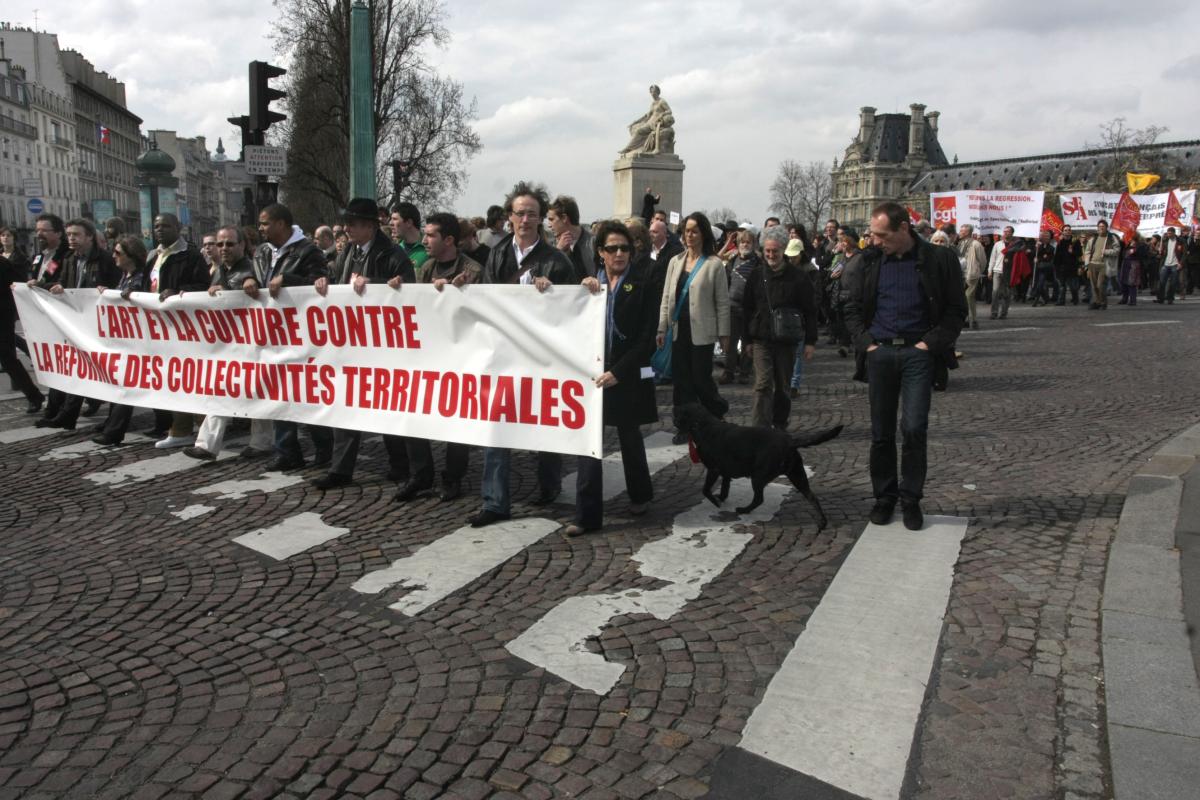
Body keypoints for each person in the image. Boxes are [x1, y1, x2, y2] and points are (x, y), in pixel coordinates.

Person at [843, 201, 967, 531]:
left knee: (914, 428)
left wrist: (930, 344)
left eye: (882, 235)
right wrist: (866, 343)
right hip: (880, 352)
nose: (875, 241)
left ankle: (911, 498)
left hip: (918, 353)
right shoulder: (868, 261)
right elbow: (849, 305)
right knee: (881, 433)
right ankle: (885, 497)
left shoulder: (938, 259)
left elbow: (956, 309)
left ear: (903, 229)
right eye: (872, 235)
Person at [470, 182, 577, 528]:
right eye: (520, 213)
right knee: (497, 425)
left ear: (541, 219)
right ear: (510, 217)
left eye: (532, 213)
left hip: (542, 357)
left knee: (542, 423)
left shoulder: (556, 261)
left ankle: (549, 483)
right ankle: (495, 500)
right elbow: (486, 300)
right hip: (504, 353)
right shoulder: (498, 254)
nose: (526, 219)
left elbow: (573, 309)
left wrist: (554, 294)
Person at [309, 198, 415, 489]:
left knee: (389, 407)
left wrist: (376, 283)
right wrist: (323, 281)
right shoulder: (349, 253)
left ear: (369, 226)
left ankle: (401, 464)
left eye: (352, 223)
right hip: (352, 343)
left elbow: (411, 293)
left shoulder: (393, 255)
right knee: (344, 403)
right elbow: (336, 281)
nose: (346, 228)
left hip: (384, 347)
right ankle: (340, 470)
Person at [566, 221, 658, 536]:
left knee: (629, 437)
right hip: (593, 374)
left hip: (625, 374)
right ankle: (586, 514)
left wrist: (619, 372)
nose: (619, 253)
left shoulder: (643, 284)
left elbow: (645, 339)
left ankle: (640, 494)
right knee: (590, 443)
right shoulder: (590, 285)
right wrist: (583, 291)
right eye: (612, 248)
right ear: (601, 253)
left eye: (624, 248)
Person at [403, 212, 483, 503]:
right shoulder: (425, 270)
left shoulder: (473, 270)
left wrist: (455, 294)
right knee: (413, 413)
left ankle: (452, 477)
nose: (424, 240)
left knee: (456, 420)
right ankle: (420, 474)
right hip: (428, 353)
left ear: (448, 240)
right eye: (424, 234)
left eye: (431, 235)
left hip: (460, 355)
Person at [182, 225, 274, 460]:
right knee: (219, 388)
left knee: (259, 391)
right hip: (228, 344)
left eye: (230, 244)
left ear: (242, 245)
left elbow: (261, 289)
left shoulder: (252, 268)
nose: (223, 248)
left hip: (255, 344)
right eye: (220, 244)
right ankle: (207, 445)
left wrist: (248, 285)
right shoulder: (219, 270)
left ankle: (262, 442)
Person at [253, 203, 333, 470]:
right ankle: (286, 451)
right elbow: (255, 278)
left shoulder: (308, 251)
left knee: (309, 393)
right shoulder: (263, 252)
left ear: (281, 224)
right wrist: (246, 281)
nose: (261, 228)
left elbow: (320, 286)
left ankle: (324, 450)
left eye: (265, 223)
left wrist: (287, 278)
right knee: (279, 393)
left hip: (303, 334)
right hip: (274, 333)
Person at [30, 218, 120, 430]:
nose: (72, 239)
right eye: (69, 234)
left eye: (76, 235)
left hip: (97, 323)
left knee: (92, 370)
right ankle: (61, 413)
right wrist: (45, 285)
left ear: (89, 237)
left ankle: (80, 413)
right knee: (71, 368)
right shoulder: (70, 259)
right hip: (74, 322)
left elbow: (116, 285)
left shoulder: (105, 260)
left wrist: (103, 291)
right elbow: (63, 282)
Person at [657, 212, 730, 443]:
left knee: (701, 379)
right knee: (681, 381)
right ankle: (684, 425)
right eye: (687, 230)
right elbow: (667, 296)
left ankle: (716, 413)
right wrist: (661, 328)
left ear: (703, 234)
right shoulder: (675, 261)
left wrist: (724, 333)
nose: (689, 235)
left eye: (694, 230)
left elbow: (722, 302)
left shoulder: (714, 264)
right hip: (679, 329)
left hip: (702, 332)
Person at [743, 227, 817, 430]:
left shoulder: (799, 277)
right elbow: (747, 308)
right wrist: (746, 340)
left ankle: (780, 425)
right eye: (767, 251)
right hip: (761, 339)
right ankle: (760, 430)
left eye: (775, 251)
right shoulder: (756, 275)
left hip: (787, 340)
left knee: (783, 387)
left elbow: (810, 310)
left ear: (783, 250)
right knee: (763, 384)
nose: (770, 255)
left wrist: (810, 341)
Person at [91, 236, 151, 445]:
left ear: (131, 256)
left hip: (140, 340)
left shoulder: (140, 277)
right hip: (127, 340)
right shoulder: (125, 276)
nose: (114, 256)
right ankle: (114, 424)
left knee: (127, 384)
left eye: (118, 253)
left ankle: (114, 431)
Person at [0, 249, 42, 414]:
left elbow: (16, 284)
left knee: (8, 358)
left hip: (2, 317)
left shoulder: (2, 263)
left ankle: (33, 395)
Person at [720, 229, 760, 385]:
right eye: (742, 241)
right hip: (732, 306)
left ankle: (744, 372)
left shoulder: (758, 262)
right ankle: (728, 371)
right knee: (730, 342)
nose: (745, 244)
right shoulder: (732, 261)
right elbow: (725, 282)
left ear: (753, 244)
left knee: (747, 342)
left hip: (750, 309)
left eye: (748, 242)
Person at [547, 195, 595, 283]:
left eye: (551, 219)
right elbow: (545, 276)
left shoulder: (594, 244)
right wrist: (558, 253)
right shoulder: (551, 247)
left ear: (564, 218)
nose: (549, 225)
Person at [1083, 220, 1119, 310]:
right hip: (1093, 264)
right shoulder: (1094, 238)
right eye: (1099, 226)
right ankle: (1097, 302)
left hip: (1104, 264)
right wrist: (1087, 264)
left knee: (1100, 285)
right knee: (1094, 285)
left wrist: (1106, 252)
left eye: (1103, 226)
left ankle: (1102, 302)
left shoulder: (1111, 238)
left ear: (1106, 227)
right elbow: (1087, 251)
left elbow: (1117, 250)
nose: (1101, 228)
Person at [957, 224, 986, 328]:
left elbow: (982, 260)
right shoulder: (960, 243)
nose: (959, 232)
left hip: (971, 274)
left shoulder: (976, 244)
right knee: (963, 298)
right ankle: (966, 319)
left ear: (967, 232)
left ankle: (973, 320)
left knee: (969, 296)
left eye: (962, 231)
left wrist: (977, 271)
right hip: (961, 274)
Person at [389, 202, 428, 276]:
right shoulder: (393, 250)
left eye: (395, 219)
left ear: (408, 222)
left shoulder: (430, 248)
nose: (390, 223)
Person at [1053, 225, 1083, 306]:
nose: (1067, 232)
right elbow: (1056, 256)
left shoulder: (1075, 242)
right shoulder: (1060, 242)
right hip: (1062, 268)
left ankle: (1075, 298)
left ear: (1071, 232)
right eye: (1065, 230)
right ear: (1063, 232)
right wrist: (1056, 267)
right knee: (1062, 286)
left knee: (1073, 287)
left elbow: (1080, 254)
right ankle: (1061, 301)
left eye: (1069, 230)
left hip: (1072, 267)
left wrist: (1072, 252)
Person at [1030, 229, 1057, 307]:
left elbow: (1048, 257)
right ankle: (1045, 298)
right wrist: (1036, 248)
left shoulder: (1051, 248)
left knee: (1040, 284)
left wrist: (1040, 258)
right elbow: (1034, 254)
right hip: (1036, 268)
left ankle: (1037, 299)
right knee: (1036, 284)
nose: (1046, 237)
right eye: (1044, 236)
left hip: (1045, 269)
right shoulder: (1038, 245)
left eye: (1047, 236)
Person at [1156, 226, 1183, 304]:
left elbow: (1184, 253)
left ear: (1174, 233)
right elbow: (1162, 252)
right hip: (1166, 264)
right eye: (1168, 233)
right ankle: (1160, 298)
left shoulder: (1180, 241)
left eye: (1170, 233)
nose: (1169, 235)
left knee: (1173, 283)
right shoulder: (1165, 241)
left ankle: (1170, 298)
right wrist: (1160, 251)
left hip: (1175, 264)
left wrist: (1181, 263)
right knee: (1162, 282)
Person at [1119, 233, 1147, 306]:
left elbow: (1142, 254)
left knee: (1132, 283)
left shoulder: (1140, 245)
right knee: (1123, 281)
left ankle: (1132, 300)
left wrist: (1135, 248)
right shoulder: (1127, 244)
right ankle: (1124, 298)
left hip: (1134, 264)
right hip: (1125, 263)